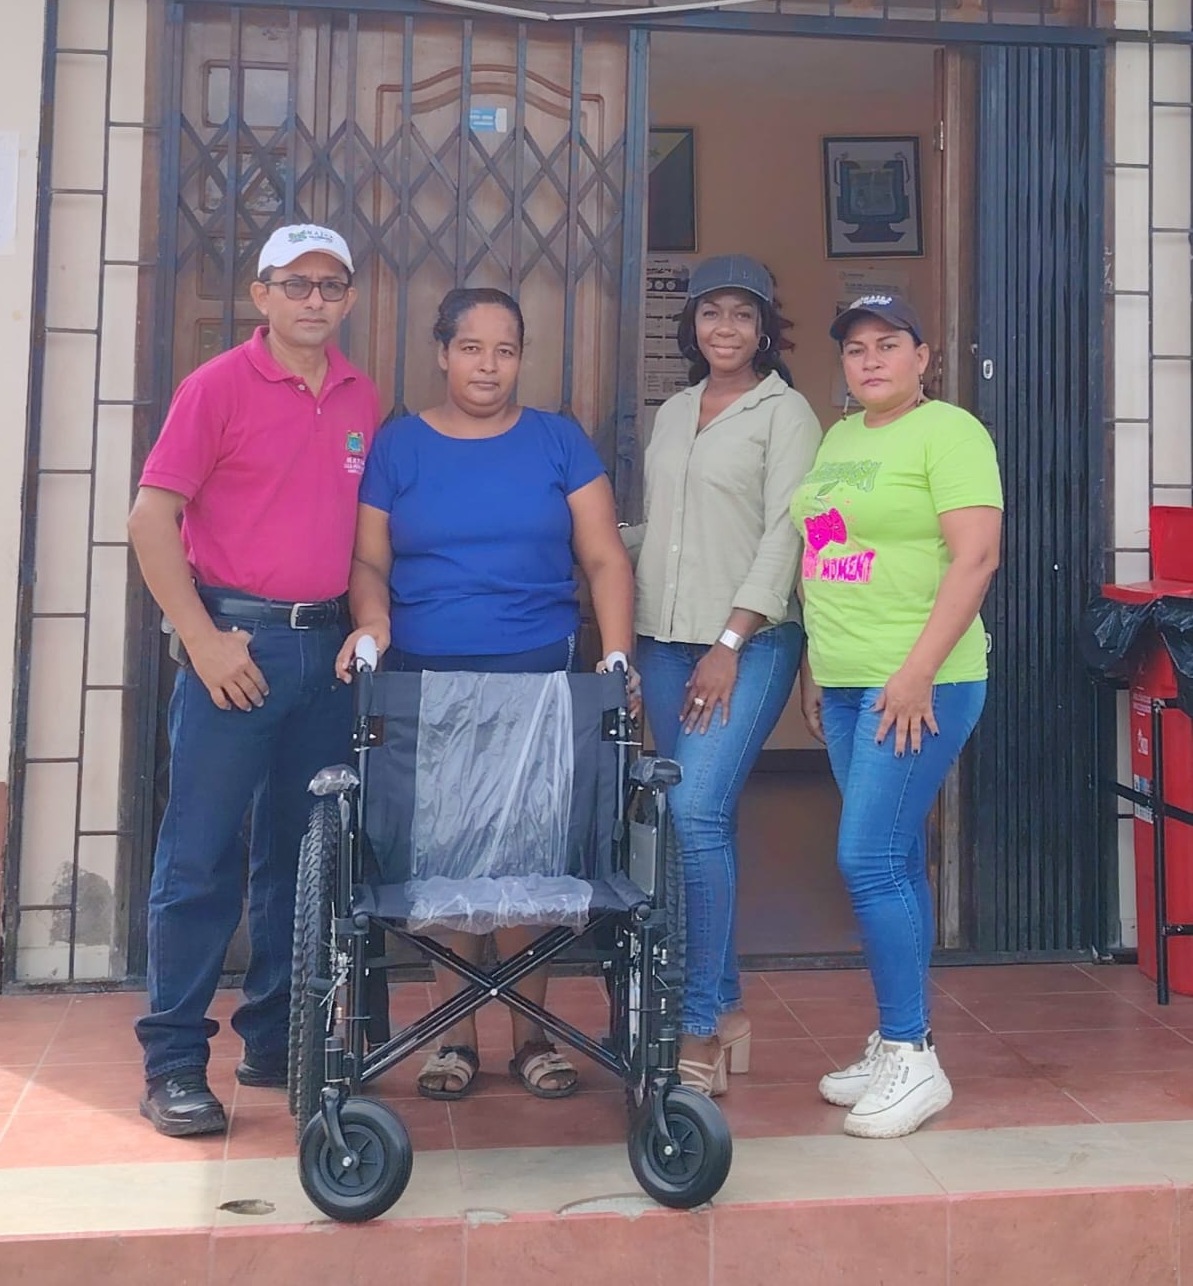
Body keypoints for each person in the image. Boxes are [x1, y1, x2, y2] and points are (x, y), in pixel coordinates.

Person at [337, 286, 635, 1101]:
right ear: (442, 353)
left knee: (528, 850)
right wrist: (371, 623)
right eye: (471, 348)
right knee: (443, 852)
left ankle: (532, 1035)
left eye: (505, 351)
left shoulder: (557, 441)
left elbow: (604, 557)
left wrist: (616, 657)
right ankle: (453, 1037)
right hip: (423, 683)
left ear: (520, 358)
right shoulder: (399, 446)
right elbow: (368, 561)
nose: (488, 366)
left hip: (536, 678)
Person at [128, 223, 378, 1136]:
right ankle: (173, 1064)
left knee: (299, 857)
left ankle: (276, 1040)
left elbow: (362, 536)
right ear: (261, 294)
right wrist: (201, 640)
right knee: (200, 858)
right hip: (236, 649)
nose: (314, 299)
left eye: (330, 285)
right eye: (295, 283)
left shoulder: (360, 396)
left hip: (326, 652)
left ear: (348, 299)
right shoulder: (216, 386)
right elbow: (150, 518)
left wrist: (366, 625)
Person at [793, 293, 1002, 1139]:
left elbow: (975, 556)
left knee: (867, 857)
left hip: (920, 684)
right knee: (896, 856)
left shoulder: (950, 432)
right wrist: (815, 666)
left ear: (923, 357)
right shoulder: (839, 439)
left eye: (887, 344)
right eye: (855, 349)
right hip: (848, 682)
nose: (870, 359)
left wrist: (915, 674)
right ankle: (895, 1039)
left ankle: (913, 1056)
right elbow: (822, 552)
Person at [627, 255, 821, 1096]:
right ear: (692, 324)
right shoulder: (673, 412)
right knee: (696, 821)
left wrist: (730, 642)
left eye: (743, 314)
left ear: (766, 328)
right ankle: (728, 1003)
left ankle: (696, 1021)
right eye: (711, 313)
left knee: (693, 812)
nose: (726, 329)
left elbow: (786, 535)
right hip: (662, 642)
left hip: (748, 644)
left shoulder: (787, 415)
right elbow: (663, 531)